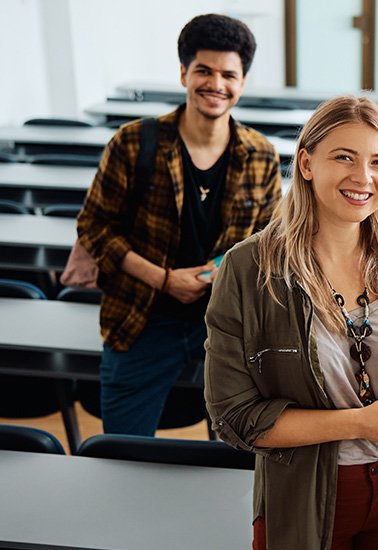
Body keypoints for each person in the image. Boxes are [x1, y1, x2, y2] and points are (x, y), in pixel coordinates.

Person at [204, 96, 378, 550]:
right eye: (344, 157)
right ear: (306, 162)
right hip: (305, 489)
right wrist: (361, 423)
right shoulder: (249, 268)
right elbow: (233, 417)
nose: (363, 177)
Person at [75, 14, 281, 435]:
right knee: (122, 448)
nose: (216, 84)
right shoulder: (134, 142)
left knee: (241, 453)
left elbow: (267, 241)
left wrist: (217, 271)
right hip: (142, 318)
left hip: (229, 324)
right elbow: (94, 226)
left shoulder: (260, 155)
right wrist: (163, 279)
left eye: (229, 74)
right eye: (204, 71)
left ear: (242, 82)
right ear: (184, 72)